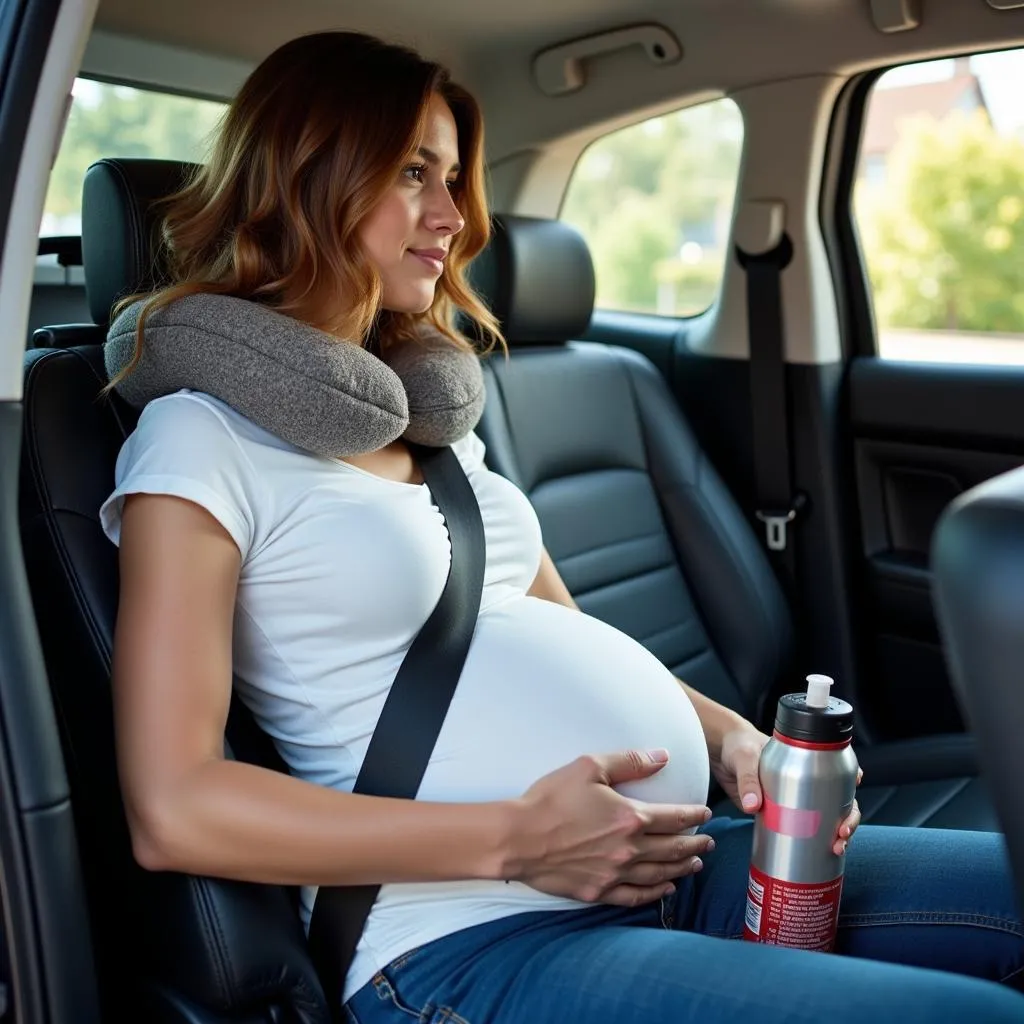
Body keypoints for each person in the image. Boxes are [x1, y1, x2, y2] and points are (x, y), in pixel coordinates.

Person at [99, 30, 1024, 1024]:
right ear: (307, 174)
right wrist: (519, 839)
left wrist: (728, 738)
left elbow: (573, 634)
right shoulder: (198, 439)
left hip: (681, 857)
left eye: (455, 177)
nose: (455, 216)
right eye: (415, 172)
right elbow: (174, 805)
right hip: (468, 937)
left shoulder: (425, 418)